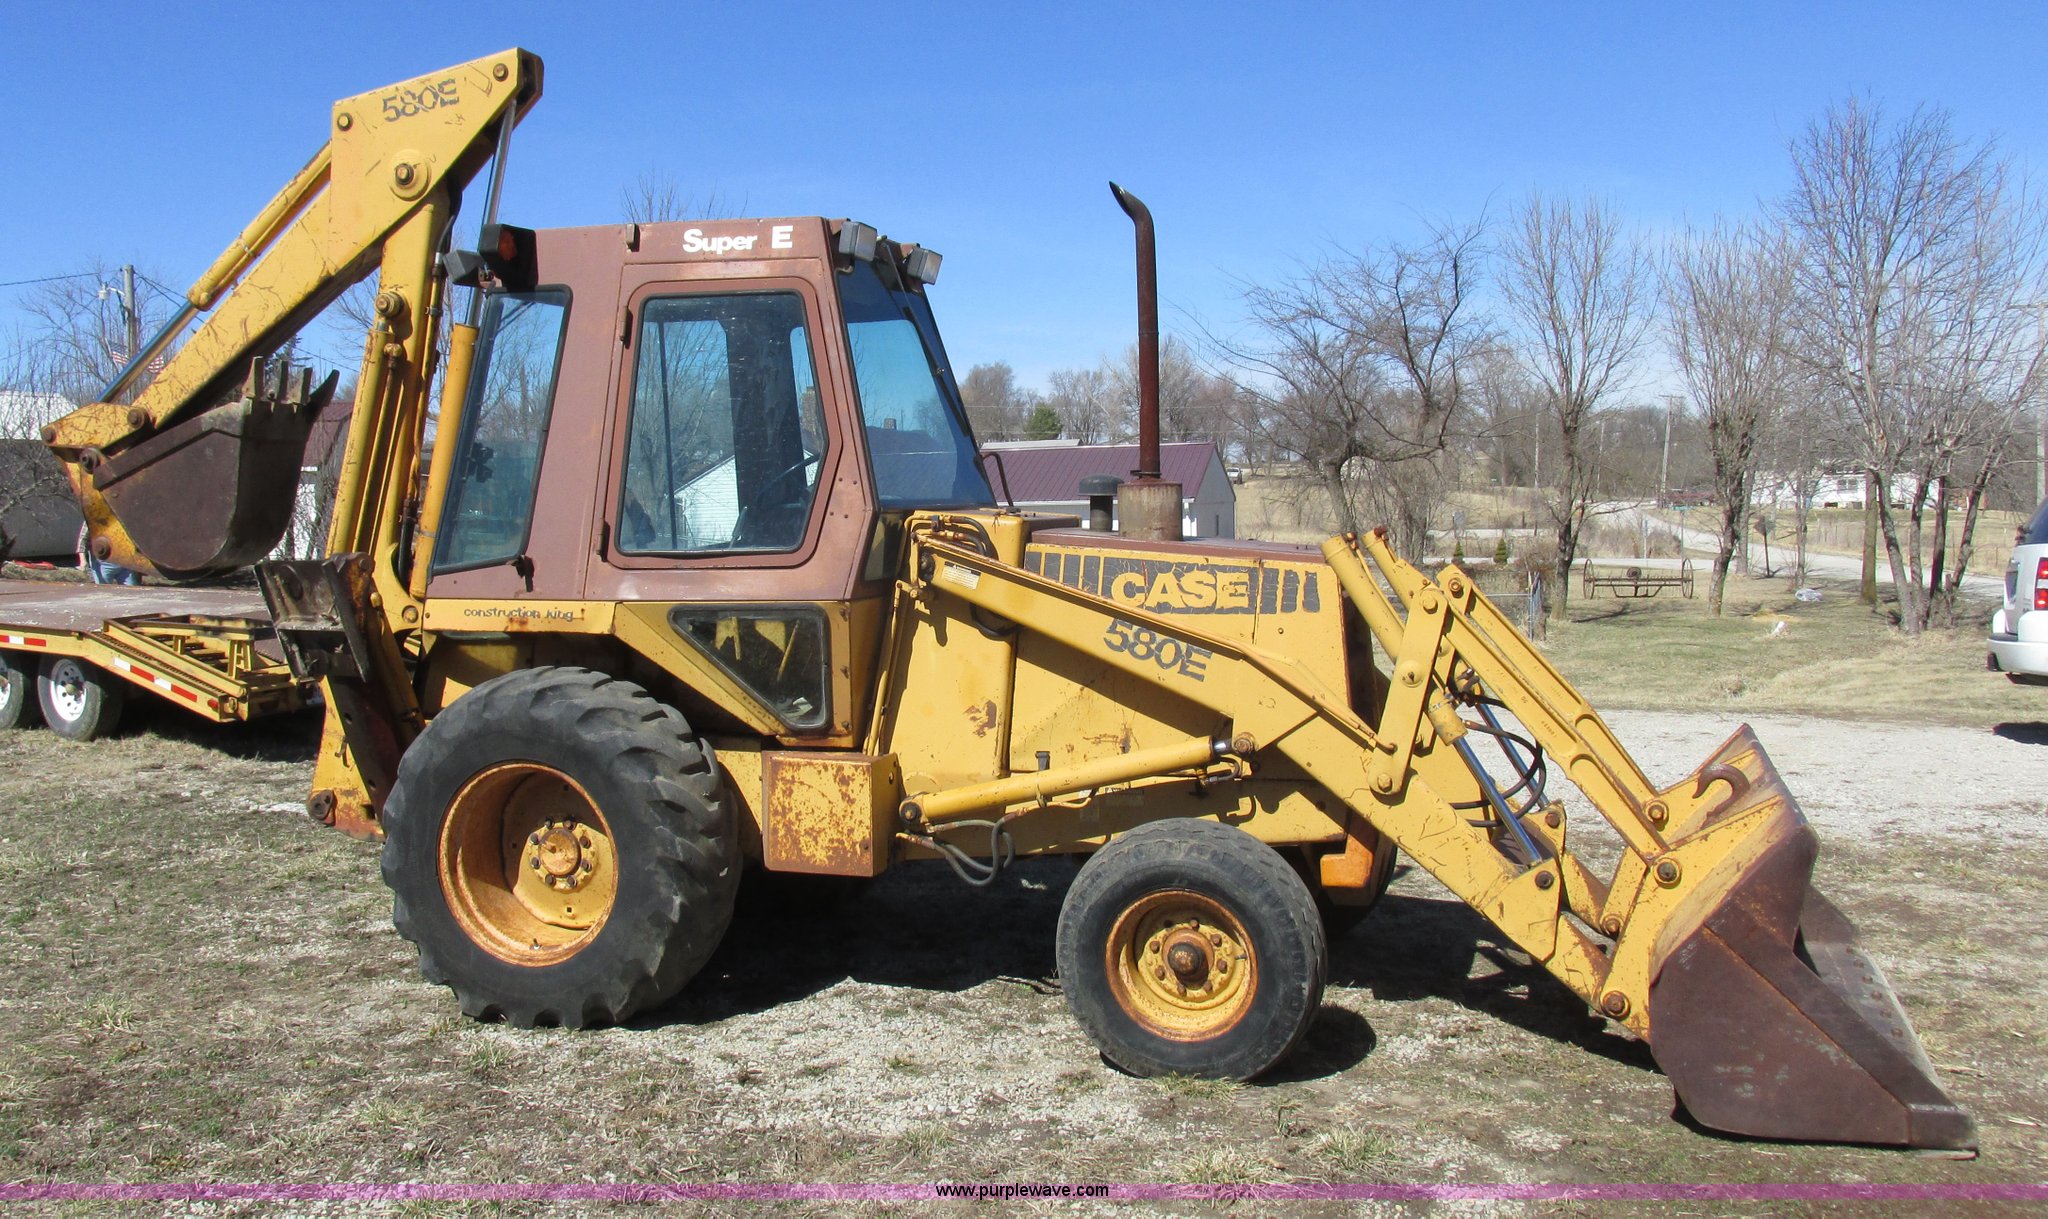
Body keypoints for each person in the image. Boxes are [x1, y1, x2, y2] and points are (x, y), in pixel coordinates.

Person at [77, 522, 142, 586]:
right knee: (104, 591)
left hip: (124, 562)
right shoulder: (94, 515)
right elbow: (83, 539)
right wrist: (83, 560)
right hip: (102, 563)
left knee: (130, 592)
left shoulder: (124, 515)